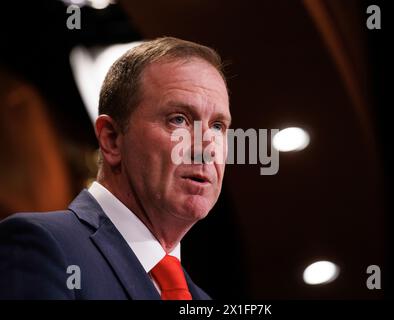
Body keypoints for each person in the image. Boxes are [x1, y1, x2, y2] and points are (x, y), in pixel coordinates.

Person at [0, 37, 231, 299]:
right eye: (178, 119)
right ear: (111, 139)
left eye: (217, 126)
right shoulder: (43, 246)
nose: (206, 147)